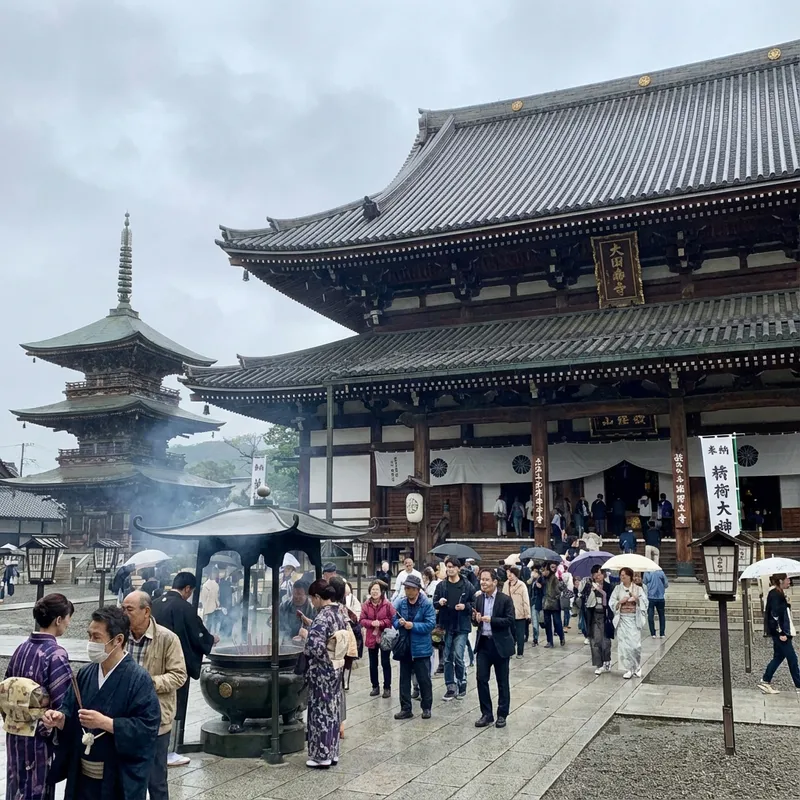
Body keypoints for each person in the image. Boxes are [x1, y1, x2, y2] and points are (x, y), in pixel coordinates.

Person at [44, 606, 161, 800]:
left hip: (116, 778)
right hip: (82, 777)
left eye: (97, 637)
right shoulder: (85, 674)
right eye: (89, 636)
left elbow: (148, 728)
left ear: (118, 640)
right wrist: (60, 719)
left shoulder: (138, 679)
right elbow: (70, 711)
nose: (91, 642)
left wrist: (107, 723)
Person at [2, 593, 73, 800]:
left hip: (15, 732)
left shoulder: (21, 648)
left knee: (16, 784)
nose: (68, 623)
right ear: (58, 620)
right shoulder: (55, 654)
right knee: (36, 788)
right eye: (67, 618)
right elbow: (63, 702)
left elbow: (6, 689)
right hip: (39, 736)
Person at [121, 591, 187, 800]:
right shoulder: (120, 636)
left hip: (156, 718)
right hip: (124, 718)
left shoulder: (167, 638)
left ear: (146, 611)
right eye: (122, 609)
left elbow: (179, 676)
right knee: (126, 777)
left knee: (156, 780)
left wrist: (148, 683)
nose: (124, 613)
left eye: (129, 609)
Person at [151, 571, 217, 768]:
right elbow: (196, 634)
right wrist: (210, 639)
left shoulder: (155, 604)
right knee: (174, 705)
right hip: (174, 664)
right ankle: (169, 751)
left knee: (154, 704)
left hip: (153, 661)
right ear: (187, 588)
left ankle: (153, 747)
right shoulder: (184, 607)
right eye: (191, 591)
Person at [297, 579, 347, 768]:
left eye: (313, 598)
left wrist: (306, 635)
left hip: (322, 671)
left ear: (318, 597)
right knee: (333, 710)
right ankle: (332, 752)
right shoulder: (339, 613)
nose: (312, 602)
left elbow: (315, 646)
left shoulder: (323, 616)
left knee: (320, 712)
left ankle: (321, 755)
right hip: (336, 667)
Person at [473, 568, 515, 728]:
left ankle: (502, 714)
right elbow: (475, 621)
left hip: (500, 644)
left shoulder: (505, 600)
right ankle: (486, 714)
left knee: (502, 681)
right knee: (481, 679)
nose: (483, 583)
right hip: (483, 643)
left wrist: (492, 620)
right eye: (481, 580)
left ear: (495, 582)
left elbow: (509, 620)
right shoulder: (479, 599)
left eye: (486, 580)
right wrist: (476, 619)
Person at [392, 574, 435, 720]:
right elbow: (393, 619)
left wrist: (413, 626)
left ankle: (426, 707)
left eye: (410, 588)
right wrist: (399, 623)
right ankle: (405, 708)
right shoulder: (401, 602)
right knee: (404, 679)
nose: (408, 591)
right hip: (405, 646)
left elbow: (430, 624)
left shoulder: (426, 604)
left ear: (417, 590)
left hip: (421, 648)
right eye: (406, 588)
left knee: (424, 679)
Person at [433, 558, 472, 701]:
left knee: (458, 656)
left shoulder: (467, 585)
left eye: (452, 567)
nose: (450, 569)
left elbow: (474, 603)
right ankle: (450, 686)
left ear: (458, 568)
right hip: (446, 625)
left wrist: (465, 606)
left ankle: (461, 681)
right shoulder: (441, 586)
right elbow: (434, 603)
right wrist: (439, 602)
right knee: (448, 657)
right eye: (448, 567)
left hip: (462, 625)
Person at [759, 573, 800, 695]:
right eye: (787, 579)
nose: (789, 581)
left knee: (778, 657)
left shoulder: (778, 593)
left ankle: (765, 681)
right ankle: (799, 684)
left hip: (781, 631)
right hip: (781, 633)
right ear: (781, 581)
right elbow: (775, 615)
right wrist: (781, 632)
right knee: (792, 658)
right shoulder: (775, 594)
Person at [610, 568, 648, 679]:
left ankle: (637, 667)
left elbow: (645, 602)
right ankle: (628, 669)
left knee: (635, 646)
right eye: (621, 575)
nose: (622, 577)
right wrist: (619, 602)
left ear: (630, 576)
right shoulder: (617, 588)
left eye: (624, 575)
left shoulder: (638, 589)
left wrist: (636, 599)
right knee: (624, 646)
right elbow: (612, 602)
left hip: (633, 619)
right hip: (622, 619)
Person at [360, 580, 395, 698]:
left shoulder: (387, 604)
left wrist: (381, 623)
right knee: (372, 663)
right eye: (373, 589)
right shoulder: (366, 604)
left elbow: (392, 618)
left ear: (381, 592)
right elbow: (362, 620)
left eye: (377, 589)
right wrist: (371, 623)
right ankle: (375, 686)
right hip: (371, 636)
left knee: (385, 662)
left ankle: (387, 687)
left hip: (385, 636)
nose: (374, 592)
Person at [582, 565, 613, 675]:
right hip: (594, 616)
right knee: (595, 641)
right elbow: (583, 600)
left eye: (599, 574)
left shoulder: (609, 587)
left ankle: (607, 661)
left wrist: (600, 591)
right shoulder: (589, 586)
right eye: (595, 575)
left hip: (605, 616)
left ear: (603, 575)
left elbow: (609, 603)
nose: (597, 577)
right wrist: (590, 591)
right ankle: (599, 664)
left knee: (605, 641)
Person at [502, 566, 531, 658]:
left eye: (511, 574)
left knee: (520, 634)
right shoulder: (506, 584)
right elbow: (502, 598)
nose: (509, 576)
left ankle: (520, 653)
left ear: (515, 575)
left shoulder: (521, 585)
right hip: (508, 613)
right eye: (508, 574)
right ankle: (510, 652)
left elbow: (526, 600)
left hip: (520, 613)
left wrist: (527, 614)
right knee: (509, 634)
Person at [542, 563, 565, 648]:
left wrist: (554, 597)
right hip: (545, 604)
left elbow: (559, 591)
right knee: (547, 624)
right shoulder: (542, 579)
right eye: (542, 570)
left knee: (557, 622)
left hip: (554, 604)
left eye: (545, 570)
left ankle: (561, 636)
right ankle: (549, 641)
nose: (543, 572)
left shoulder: (554, 579)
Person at [643, 568, 668, 639]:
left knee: (650, 615)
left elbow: (644, 582)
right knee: (662, 615)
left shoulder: (647, 573)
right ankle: (662, 633)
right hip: (660, 597)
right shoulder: (661, 573)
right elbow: (666, 584)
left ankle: (653, 633)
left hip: (650, 597)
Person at [199, 568, 221, 635]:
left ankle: (211, 635)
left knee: (212, 623)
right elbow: (203, 598)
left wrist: (217, 604)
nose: (215, 575)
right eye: (214, 573)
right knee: (209, 623)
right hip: (209, 607)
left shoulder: (215, 584)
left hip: (213, 607)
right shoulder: (206, 585)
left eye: (216, 573)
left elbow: (216, 596)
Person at [529, 566, 544, 647]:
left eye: (535, 571)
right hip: (533, 602)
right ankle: (535, 638)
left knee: (535, 621)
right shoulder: (533, 581)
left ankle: (535, 639)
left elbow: (543, 591)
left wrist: (540, 587)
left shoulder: (542, 580)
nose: (533, 573)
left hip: (538, 603)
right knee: (534, 621)